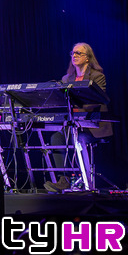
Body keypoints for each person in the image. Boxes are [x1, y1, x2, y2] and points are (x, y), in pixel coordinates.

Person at [44, 42, 112, 192]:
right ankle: (64, 180)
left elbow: (98, 100)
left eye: (78, 53)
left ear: (87, 58)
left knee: (77, 138)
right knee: (56, 138)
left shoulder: (97, 77)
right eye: (73, 53)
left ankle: (87, 181)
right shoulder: (67, 79)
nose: (74, 55)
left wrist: (77, 105)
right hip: (73, 125)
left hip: (92, 126)